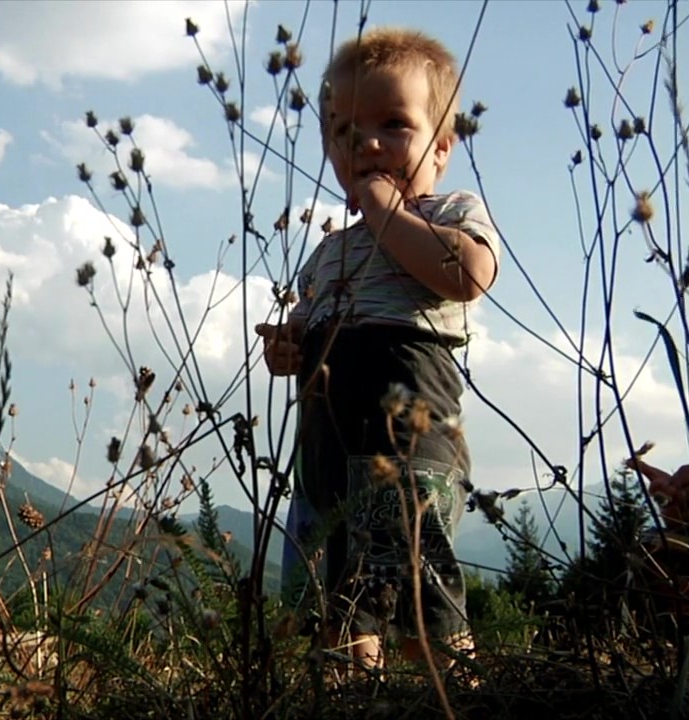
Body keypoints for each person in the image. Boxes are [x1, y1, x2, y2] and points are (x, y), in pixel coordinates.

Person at [257, 27, 500, 673]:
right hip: (324, 443)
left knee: (418, 592)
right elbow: (305, 334)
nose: (366, 143)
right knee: (330, 603)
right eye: (344, 131)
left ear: (441, 148)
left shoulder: (451, 211)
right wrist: (287, 346)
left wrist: (389, 208)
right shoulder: (328, 252)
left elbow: (468, 276)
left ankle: (448, 689)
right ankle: (340, 687)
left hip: (406, 437)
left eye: (394, 124)